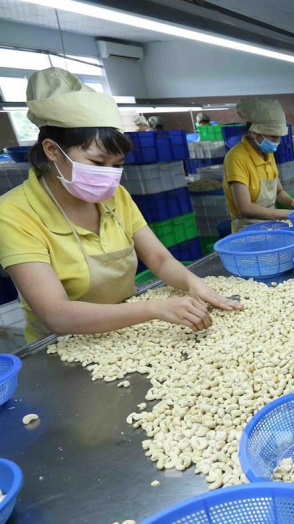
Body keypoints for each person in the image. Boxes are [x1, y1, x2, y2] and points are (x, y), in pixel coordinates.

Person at [0, 68, 242, 343]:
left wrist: (193, 283)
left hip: (127, 329)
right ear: (52, 150)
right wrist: (153, 308)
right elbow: (56, 314)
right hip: (62, 344)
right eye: (97, 163)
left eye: (117, 165)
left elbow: (159, 259)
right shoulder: (14, 213)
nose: (109, 175)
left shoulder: (116, 197)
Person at [224, 98, 294, 233]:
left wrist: (293, 203)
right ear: (254, 132)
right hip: (248, 232)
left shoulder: (267, 153)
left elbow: (279, 192)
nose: (277, 141)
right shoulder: (236, 158)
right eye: (273, 136)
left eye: (279, 136)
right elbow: (245, 208)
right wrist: (288, 214)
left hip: (272, 227)